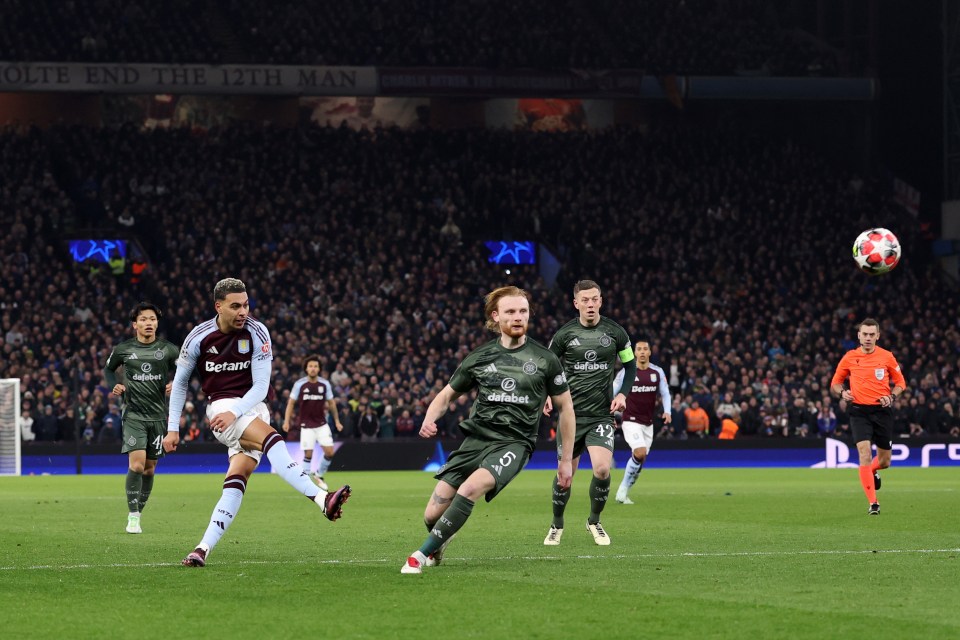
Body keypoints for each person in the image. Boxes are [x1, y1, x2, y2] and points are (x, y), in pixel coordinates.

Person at [164, 278, 351, 567]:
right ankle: (321, 498)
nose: (243, 312)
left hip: (250, 408)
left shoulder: (257, 331)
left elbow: (261, 385)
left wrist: (237, 412)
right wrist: (172, 428)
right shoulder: (198, 338)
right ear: (219, 307)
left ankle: (202, 548)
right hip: (222, 409)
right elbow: (179, 384)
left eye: (246, 305)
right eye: (235, 306)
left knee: (236, 480)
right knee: (272, 439)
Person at [401, 285, 575, 574]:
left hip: (514, 443)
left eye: (523, 311)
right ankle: (439, 543)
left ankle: (418, 556)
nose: (518, 317)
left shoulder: (545, 359)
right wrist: (429, 419)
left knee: (470, 489)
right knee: (432, 515)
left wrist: (565, 460)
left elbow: (565, 409)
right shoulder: (480, 357)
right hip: (476, 440)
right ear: (496, 317)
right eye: (510, 311)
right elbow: (445, 396)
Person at [542, 279, 636, 546]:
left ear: (601, 301)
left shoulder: (616, 333)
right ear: (576, 303)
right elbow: (547, 367)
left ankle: (594, 521)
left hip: (600, 416)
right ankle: (556, 525)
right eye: (585, 300)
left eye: (595, 299)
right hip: (570, 416)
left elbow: (630, 367)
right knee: (564, 478)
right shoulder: (563, 335)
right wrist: (549, 394)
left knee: (603, 469)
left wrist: (622, 394)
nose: (591, 304)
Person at [103, 302, 180, 534]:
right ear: (135, 324)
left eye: (153, 319)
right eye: (144, 319)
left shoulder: (168, 349)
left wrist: (175, 382)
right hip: (134, 415)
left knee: (149, 470)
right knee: (136, 465)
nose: (149, 323)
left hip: (157, 417)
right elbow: (108, 369)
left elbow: (187, 370)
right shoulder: (123, 349)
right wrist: (114, 384)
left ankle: (139, 511)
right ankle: (133, 516)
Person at [830, 318, 907, 516]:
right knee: (864, 454)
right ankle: (874, 503)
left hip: (882, 412)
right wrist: (842, 393)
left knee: (885, 461)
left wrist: (891, 397)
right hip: (859, 411)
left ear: (878, 336)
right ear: (859, 335)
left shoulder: (887, 357)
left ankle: (873, 471)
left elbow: (901, 383)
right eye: (865, 334)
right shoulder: (849, 357)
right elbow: (835, 383)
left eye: (872, 334)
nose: (868, 338)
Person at [612, 337, 671, 505]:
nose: (642, 352)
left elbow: (665, 393)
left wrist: (667, 411)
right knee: (640, 452)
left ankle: (624, 493)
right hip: (630, 420)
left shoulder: (657, 372)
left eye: (645, 349)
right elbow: (613, 390)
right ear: (634, 353)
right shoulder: (626, 372)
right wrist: (609, 408)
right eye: (639, 349)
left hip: (648, 423)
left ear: (650, 352)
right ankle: (622, 489)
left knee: (641, 458)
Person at [282, 355, 343, 490]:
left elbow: (331, 404)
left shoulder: (324, 384)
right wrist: (286, 421)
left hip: (321, 423)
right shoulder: (300, 384)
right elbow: (291, 403)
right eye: (310, 366)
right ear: (306, 368)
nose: (313, 368)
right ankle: (305, 482)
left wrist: (337, 421)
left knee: (330, 452)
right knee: (308, 454)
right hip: (306, 425)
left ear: (319, 369)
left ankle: (319, 475)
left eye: (315, 366)